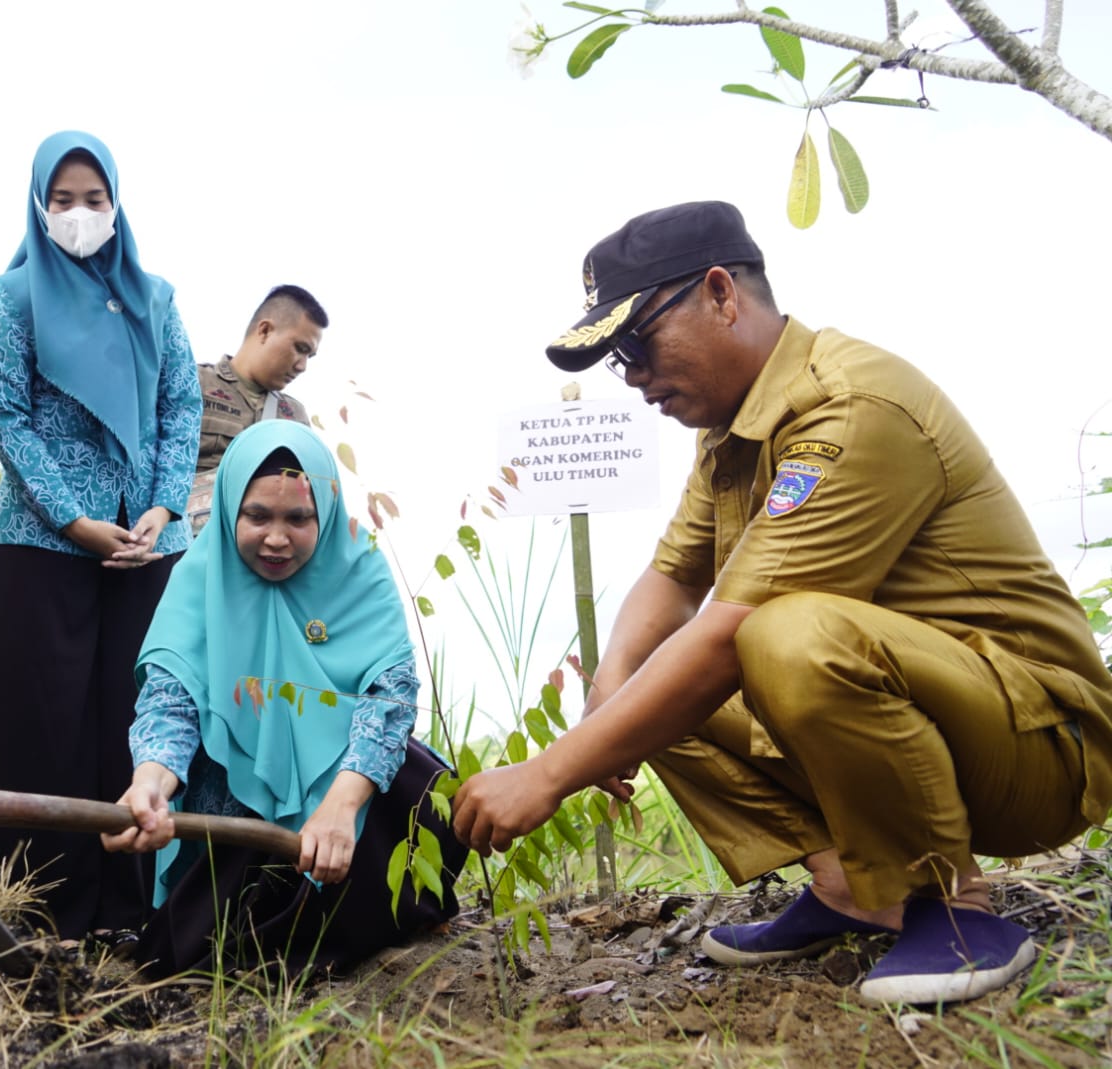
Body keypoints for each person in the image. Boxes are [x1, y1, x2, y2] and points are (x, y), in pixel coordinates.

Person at [451, 200, 1112, 1005]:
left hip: (1044, 748)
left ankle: (951, 902)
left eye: (637, 344)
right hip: (930, 724)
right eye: (615, 360)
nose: (632, 378)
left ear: (722, 294)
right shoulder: (733, 429)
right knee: (648, 681)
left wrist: (551, 772)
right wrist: (606, 695)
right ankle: (856, 892)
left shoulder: (853, 404)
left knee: (786, 633)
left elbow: (727, 633)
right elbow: (672, 579)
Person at [104, 420, 465, 976]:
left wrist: (340, 808)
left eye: (299, 519)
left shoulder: (360, 570)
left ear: (324, 512)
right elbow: (170, 702)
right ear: (229, 512)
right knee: (196, 953)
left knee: (426, 786)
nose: (277, 538)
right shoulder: (198, 579)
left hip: (346, 785)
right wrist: (150, 781)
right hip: (232, 794)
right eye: (257, 517)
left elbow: (388, 699)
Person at [0, 131, 201, 945]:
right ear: (41, 206)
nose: (79, 214)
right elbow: (6, 417)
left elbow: (182, 408)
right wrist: (71, 518)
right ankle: (28, 914)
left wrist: (165, 506)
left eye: (94, 199)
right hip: (44, 545)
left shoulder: (156, 298)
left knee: (134, 725)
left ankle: (129, 915)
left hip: (144, 545)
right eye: (63, 199)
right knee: (40, 726)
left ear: (117, 204)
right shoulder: (13, 297)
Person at [186, 285, 327, 534]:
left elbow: (311, 496)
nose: (303, 366)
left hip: (263, 553)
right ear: (264, 330)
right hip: (187, 547)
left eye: (310, 356)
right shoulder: (193, 384)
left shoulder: (294, 416)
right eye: (300, 348)